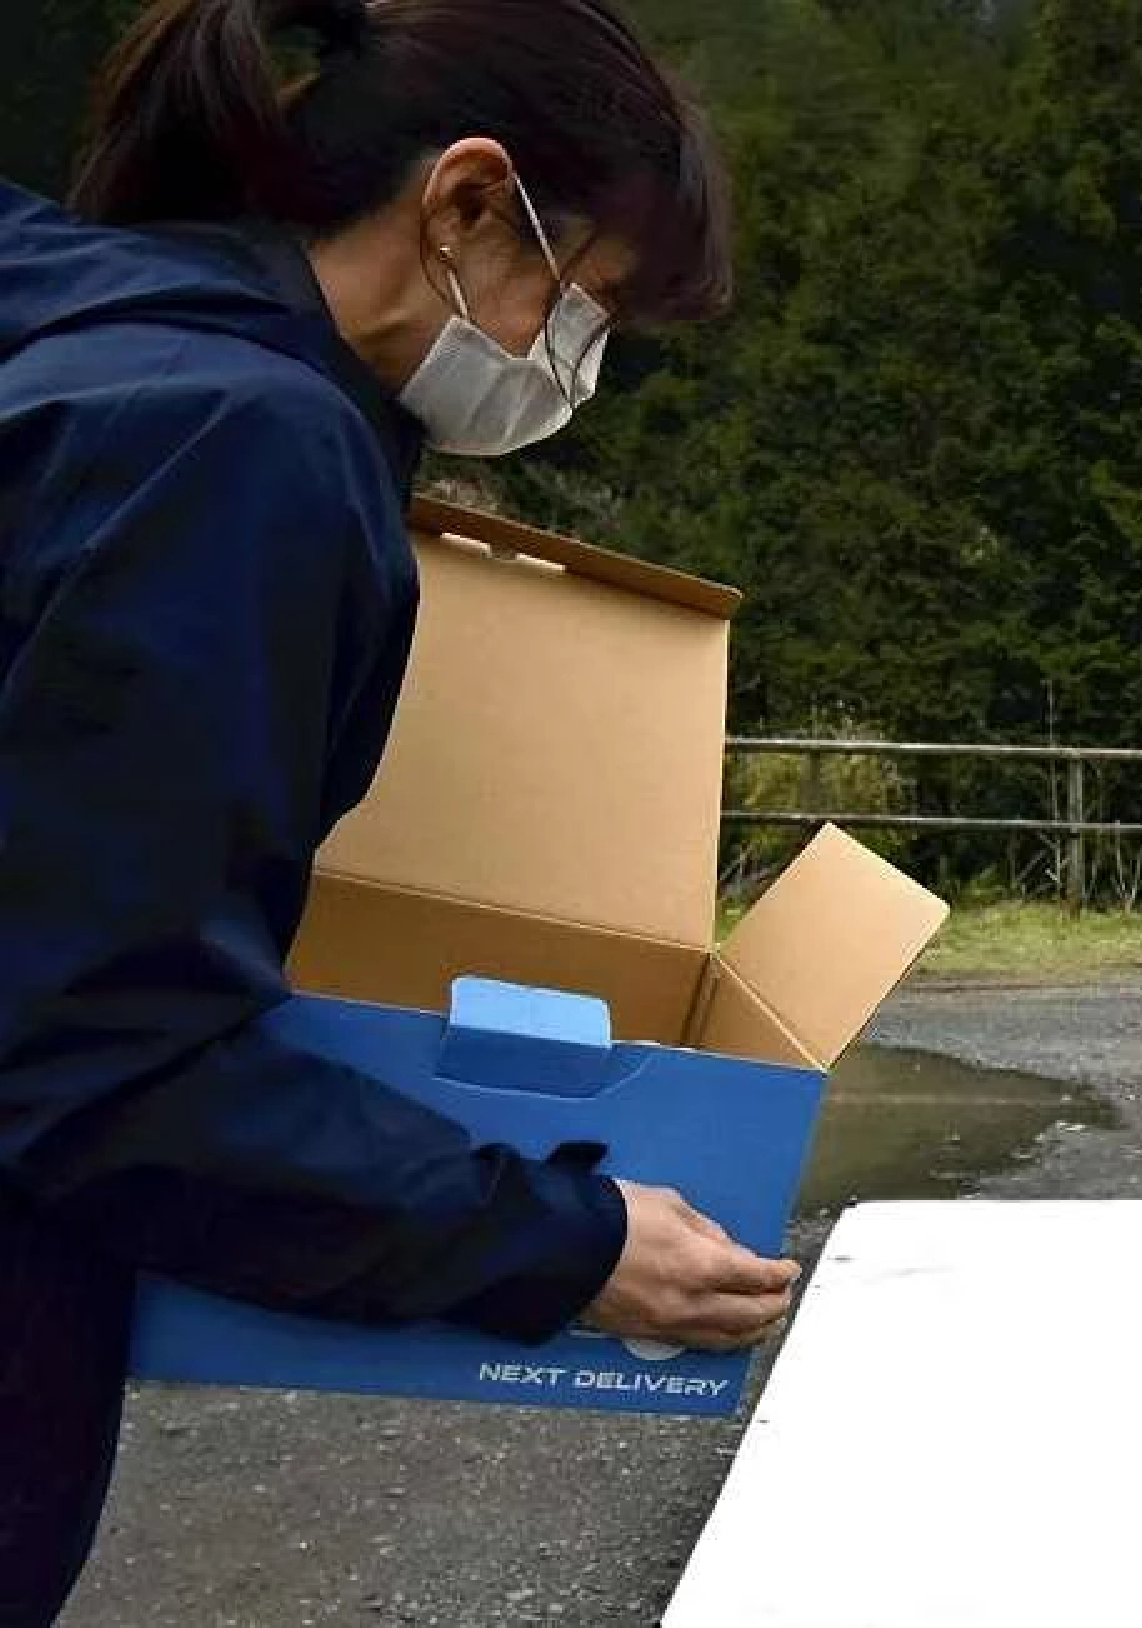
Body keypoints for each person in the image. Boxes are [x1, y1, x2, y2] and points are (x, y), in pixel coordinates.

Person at [0, 2, 800, 1621]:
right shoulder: (236, 448)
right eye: (596, 308)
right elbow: (96, 1053)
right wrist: (561, 1243)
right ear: (466, 204)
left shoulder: (74, 353)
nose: (582, 364)